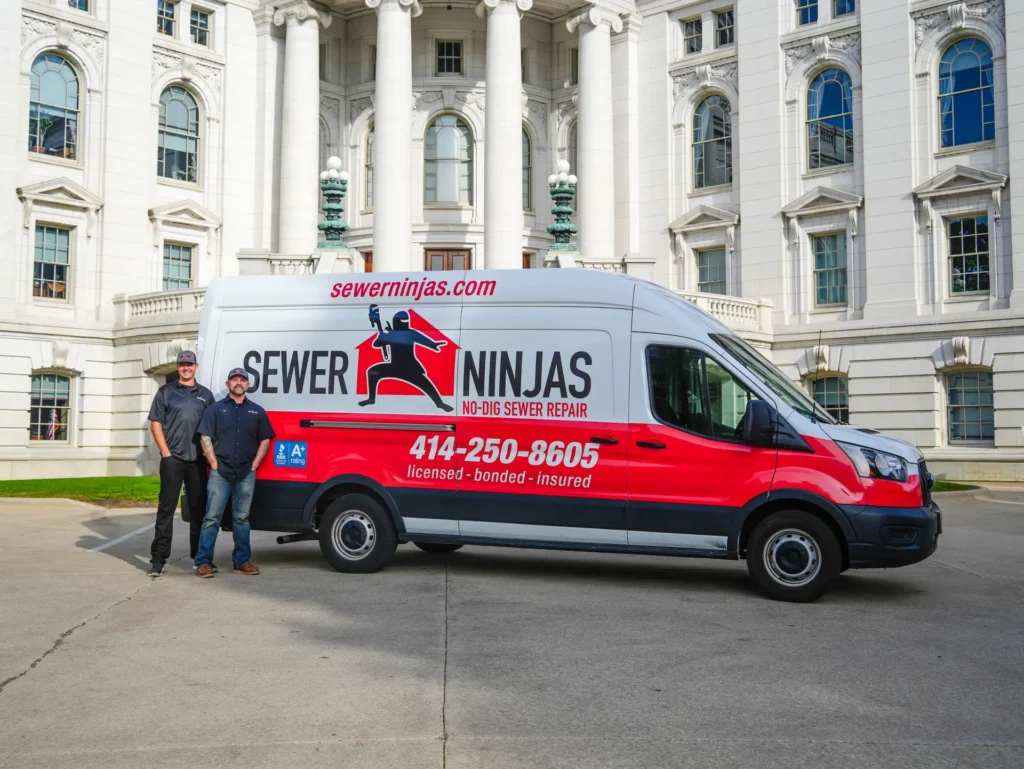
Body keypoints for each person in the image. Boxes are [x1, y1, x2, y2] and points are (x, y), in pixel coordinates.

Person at [194, 367, 275, 578]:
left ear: (247, 384)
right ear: (228, 384)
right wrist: (213, 463)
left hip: (246, 472)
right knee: (212, 518)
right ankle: (203, 562)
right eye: (234, 380)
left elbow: (265, 439)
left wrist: (254, 465)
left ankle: (241, 562)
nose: (238, 383)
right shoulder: (215, 409)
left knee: (242, 519)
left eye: (242, 380)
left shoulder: (257, 411)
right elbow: (205, 436)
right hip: (220, 472)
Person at [147, 350, 215, 578]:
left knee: (198, 510)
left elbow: (212, 427)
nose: (186, 368)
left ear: (196, 366)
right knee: (166, 509)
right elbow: (156, 424)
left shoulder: (205, 395)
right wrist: (166, 454)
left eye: (189, 364)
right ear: (178, 367)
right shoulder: (166, 392)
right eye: (182, 364)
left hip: (197, 461)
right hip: (173, 459)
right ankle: (158, 559)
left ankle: (200, 558)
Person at [357, 309, 453, 412]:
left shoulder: (405, 333)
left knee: (426, 384)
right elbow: (376, 344)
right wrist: (382, 336)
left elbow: (423, 340)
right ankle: (371, 399)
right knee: (372, 372)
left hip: (410, 367)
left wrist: (433, 344)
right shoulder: (393, 334)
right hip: (395, 366)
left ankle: (439, 403)